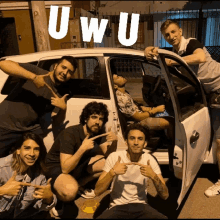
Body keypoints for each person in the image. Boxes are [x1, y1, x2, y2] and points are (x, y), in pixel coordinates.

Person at [144, 19, 220, 197]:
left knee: (219, 141)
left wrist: (176, 61)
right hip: (212, 97)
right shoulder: (174, 51)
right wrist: (147, 49)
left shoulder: (191, 43)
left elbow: (200, 57)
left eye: (173, 32)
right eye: (167, 35)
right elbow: (155, 53)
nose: (171, 37)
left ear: (180, 31)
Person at [45, 101, 118, 217]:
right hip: (55, 169)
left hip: (76, 166)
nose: (97, 122)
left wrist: (114, 142)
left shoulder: (97, 133)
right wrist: (82, 149)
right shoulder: (70, 133)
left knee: (108, 165)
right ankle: (57, 197)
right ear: (85, 118)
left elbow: (109, 157)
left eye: (101, 119)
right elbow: (65, 168)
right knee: (70, 191)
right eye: (94, 117)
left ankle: (79, 184)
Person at [0, 56, 78, 158]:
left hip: (28, 130)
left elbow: (57, 122)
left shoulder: (60, 95)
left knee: (40, 161)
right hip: (5, 125)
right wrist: (34, 77)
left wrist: (63, 109)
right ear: (55, 66)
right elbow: (3, 64)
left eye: (69, 72)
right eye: (63, 67)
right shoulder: (37, 72)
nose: (65, 72)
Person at [94, 123, 168, 219]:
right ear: (126, 142)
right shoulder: (115, 157)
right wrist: (112, 172)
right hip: (117, 207)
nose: (136, 143)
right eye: (132, 138)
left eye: (140, 139)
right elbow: (97, 191)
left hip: (141, 206)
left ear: (145, 143)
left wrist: (153, 176)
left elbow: (165, 195)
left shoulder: (149, 160)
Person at [113, 73, 174, 171]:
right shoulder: (122, 98)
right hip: (137, 123)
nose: (121, 76)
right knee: (171, 123)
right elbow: (138, 117)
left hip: (140, 118)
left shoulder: (124, 93)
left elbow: (137, 108)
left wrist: (150, 108)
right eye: (117, 77)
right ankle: (173, 155)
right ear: (115, 85)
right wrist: (155, 110)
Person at [0, 132, 56, 219]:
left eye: (36, 149)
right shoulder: (2, 168)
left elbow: (40, 206)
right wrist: (2, 190)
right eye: (27, 148)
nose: (32, 154)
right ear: (18, 150)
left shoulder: (39, 175)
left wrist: (49, 198)